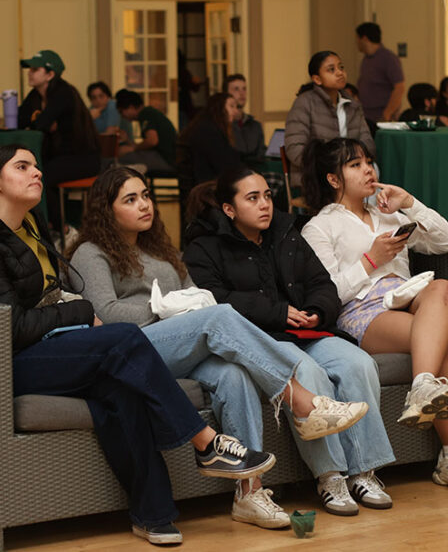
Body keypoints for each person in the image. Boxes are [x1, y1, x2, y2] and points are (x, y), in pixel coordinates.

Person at [0, 144, 277, 546]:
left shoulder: (29, 227)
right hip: (9, 360)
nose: (37, 173)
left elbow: (47, 296)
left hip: (52, 344)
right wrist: (80, 312)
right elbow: (11, 325)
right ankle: (205, 443)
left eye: (36, 166)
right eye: (22, 166)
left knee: (123, 386)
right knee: (124, 339)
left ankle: (153, 515)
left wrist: (70, 311)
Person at [68, 165, 370, 527]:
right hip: (131, 350)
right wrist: (165, 310)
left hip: (176, 343)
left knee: (234, 374)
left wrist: (184, 309)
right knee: (217, 317)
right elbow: (106, 313)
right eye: (130, 200)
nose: (144, 205)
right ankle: (302, 402)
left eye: (145, 196)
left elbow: (194, 293)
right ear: (107, 209)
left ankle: (249, 492)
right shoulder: (90, 252)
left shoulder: (160, 249)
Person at [183, 169, 395, 516]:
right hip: (262, 338)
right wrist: (280, 313)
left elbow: (322, 284)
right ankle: (330, 476)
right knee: (308, 373)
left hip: (309, 331)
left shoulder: (287, 232)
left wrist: (315, 310)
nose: (265, 205)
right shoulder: (205, 247)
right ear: (229, 209)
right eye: (253, 198)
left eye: (267, 195)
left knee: (359, 363)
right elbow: (215, 302)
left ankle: (363, 472)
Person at [300, 137, 448, 487]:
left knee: (442, 287)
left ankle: (422, 387)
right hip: (362, 310)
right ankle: (446, 454)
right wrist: (371, 261)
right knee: (442, 334)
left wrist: (410, 203)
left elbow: (444, 241)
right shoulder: (319, 227)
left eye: (369, 161)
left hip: (410, 296)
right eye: (355, 164)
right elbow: (327, 294)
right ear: (334, 179)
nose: (368, 170)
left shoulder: (389, 213)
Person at [18, 50, 100, 228]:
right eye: (29, 69)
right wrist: (42, 122)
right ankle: (48, 225)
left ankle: (61, 228)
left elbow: (40, 123)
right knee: (33, 173)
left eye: (35, 69)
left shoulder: (64, 93)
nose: (29, 73)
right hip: (60, 158)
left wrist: (42, 122)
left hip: (83, 159)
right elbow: (21, 121)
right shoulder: (35, 95)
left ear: (50, 74)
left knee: (40, 175)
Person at [284, 51, 375, 186]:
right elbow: (294, 149)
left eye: (341, 67)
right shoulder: (304, 103)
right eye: (331, 70)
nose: (339, 73)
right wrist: (330, 165)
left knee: (373, 172)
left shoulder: (353, 105)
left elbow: (367, 143)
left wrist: (354, 164)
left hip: (351, 173)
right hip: (316, 176)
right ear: (317, 79)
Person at [176, 92, 243, 209]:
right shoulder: (209, 132)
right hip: (207, 189)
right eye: (231, 106)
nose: (235, 111)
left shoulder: (203, 126)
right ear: (219, 108)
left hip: (197, 187)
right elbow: (227, 165)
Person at [115, 90, 177, 172]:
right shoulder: (149, 112)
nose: (122, 116)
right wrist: (128, 141)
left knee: (121, 158)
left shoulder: (146, 113)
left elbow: (152, 141)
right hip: (167, 157)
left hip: (166, 159)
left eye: (121, 112)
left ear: (131, 107)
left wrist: (132, 148)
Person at [356, 22, 405, 123]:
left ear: (364, 39)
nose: (356, 42)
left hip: (381, 116)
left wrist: (387, 113)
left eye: (357, 38)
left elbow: (399, 87)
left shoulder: (388, 58)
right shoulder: (366, 59)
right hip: (366, 114)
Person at [223, 74, 266, 163]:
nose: (242, 93)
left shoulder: (255, 125)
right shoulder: (222, 125)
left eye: (244, 89)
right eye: (236, 89)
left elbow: (261, 154)